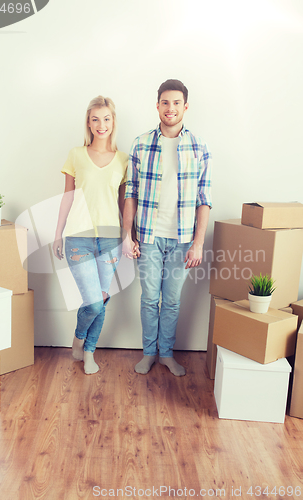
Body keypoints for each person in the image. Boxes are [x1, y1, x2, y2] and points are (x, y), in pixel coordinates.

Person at [123, 79, 212, 377]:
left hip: (183, 240)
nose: (170, 108)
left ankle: (166, 354)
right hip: (148, 236)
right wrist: (128, 236)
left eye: (176, 103)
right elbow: (130, 193)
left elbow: (205, 198)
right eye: (165, 102)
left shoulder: (199, 146)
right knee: (149, 299)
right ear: (157, 105)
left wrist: (198, 242)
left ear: (185, 106)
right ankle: (149, 353)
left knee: (171, 301)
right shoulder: (141, 143)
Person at [53, 96, 129, 375]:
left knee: (101, 299)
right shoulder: (76, 155)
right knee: (95, 301)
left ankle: (87, 352)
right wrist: (58, 234)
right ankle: (79, 336)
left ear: (113, 122)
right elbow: (66, 197)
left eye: (106, 119)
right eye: (95, 119)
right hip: (78, 237)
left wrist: (129, 235)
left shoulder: (123, 160)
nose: (101, 124)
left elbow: (124, 204)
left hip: (110, 240)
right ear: (88, 122)